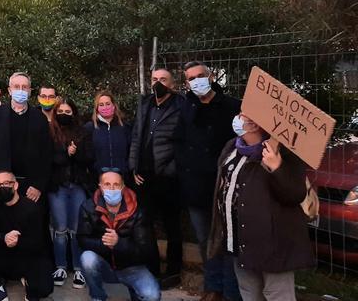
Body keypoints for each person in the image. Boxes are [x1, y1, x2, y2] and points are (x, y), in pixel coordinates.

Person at [208, 114, 313, 301]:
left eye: (243, 114)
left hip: (273, 245)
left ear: (255, 123)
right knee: (249, 293)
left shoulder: (283, 151)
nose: (238, 117)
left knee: (277, 295)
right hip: (239, 241)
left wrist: (277, 167)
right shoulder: (232, 146)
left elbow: (295, 194)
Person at [178, 62, 242, 301]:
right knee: (205, 240)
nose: (196, 81)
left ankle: (228, 290)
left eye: (200, 76)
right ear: (186, 83)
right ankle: (212, 287)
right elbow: (179, 142)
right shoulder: (186, 108)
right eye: (191, 78)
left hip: (224, 188)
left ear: (211, 76)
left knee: (226, 241)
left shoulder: (232, 106)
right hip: (195, 188)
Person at [129, 67, 184, 285]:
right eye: (154, 79)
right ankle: (151, 269)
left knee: (172, 226)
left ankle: (173, 272)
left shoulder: (181, 106)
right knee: (144, 225)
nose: (158, 83)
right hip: (143, 178)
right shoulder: (145, 104)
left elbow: (183, 144)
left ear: (172, 84)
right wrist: (133, 167)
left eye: (163, 79)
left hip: (168, 178)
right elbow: (136, 136)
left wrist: (170, 170)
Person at [77, 170, 160, 301]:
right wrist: (105, 244)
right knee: (87, 258)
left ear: (123, 187)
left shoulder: (138, 210)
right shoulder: (88, 206)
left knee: (152, 295)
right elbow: (82, 239)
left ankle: (134, 291)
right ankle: (98, 297)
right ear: (100, 186)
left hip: (132, 267)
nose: (111, 188)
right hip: (105, 264)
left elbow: (146, 250)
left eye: (116, 184)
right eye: (107, 184)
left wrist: (119, 243)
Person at [0, 170, 54, 301]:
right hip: (3, 254)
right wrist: (4, 237)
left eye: (6, 183)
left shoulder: (31, 208)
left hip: (27, 256)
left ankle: (29, 285)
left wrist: (17, 241)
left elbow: (38, 242)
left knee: (45, 289)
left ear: (15, 185)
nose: (2, 187)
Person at [0, 72, 52, 202]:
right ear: (9, 90)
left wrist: (38, 185)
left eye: (24, 87)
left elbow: (46, 155)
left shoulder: (39, 118)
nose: (21, 90)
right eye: (16, 86)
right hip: (2, 183)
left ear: (30, 91)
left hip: (30, 186)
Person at [48, 98, 95, 289]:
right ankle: (60, 266)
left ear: (74, 114)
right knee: (60, 229)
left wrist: (76, 154)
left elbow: (90, 158)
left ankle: (78, 268)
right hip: (57, 186)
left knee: (76, 229)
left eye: (68, 112)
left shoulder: (83, 132)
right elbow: (48, 158)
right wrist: (65, 154)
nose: (64, 115)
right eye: (61, 111)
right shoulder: (49, 132)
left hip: (77, 186)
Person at [87, 91, 132, 175]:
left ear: (113, 105)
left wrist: (127, 168)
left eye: (108, 104)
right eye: (101, 105)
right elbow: (87, 154)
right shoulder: (90, 128)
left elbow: (131, 151)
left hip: (122, 178)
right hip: (98, 179)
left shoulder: (125, 127)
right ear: (97, 108)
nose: (105, 107)